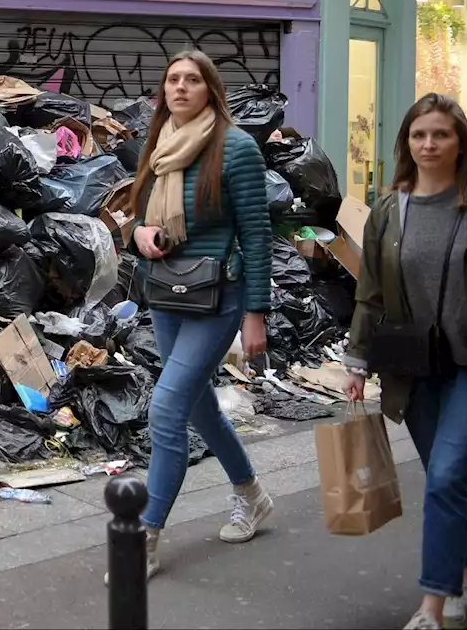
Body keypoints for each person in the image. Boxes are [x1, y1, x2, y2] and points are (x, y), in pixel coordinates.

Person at [126, 50, 274, 579]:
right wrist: (140, 233)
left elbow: (258, 235)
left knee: (166, 408)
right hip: (169, 293)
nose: (181, 87)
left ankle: (144, 535)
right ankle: (251, 493)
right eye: (173, 79)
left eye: (192, 80)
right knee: (195, 407)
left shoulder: (236, 149)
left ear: (211, 90)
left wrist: (256, 313)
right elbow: (142, 215)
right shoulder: (161, 145)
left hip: (220, 298)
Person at [344, 93, 467, 630]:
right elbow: (369, 291)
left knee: (445, 476)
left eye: (440, 134)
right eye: (419, 135)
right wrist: (356, 360)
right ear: (406, 143)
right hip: (412, 365)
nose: (429, 144)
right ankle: (461, 574)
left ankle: (431, 607)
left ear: (460, 142)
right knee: (453, 479)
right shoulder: (391, 211)